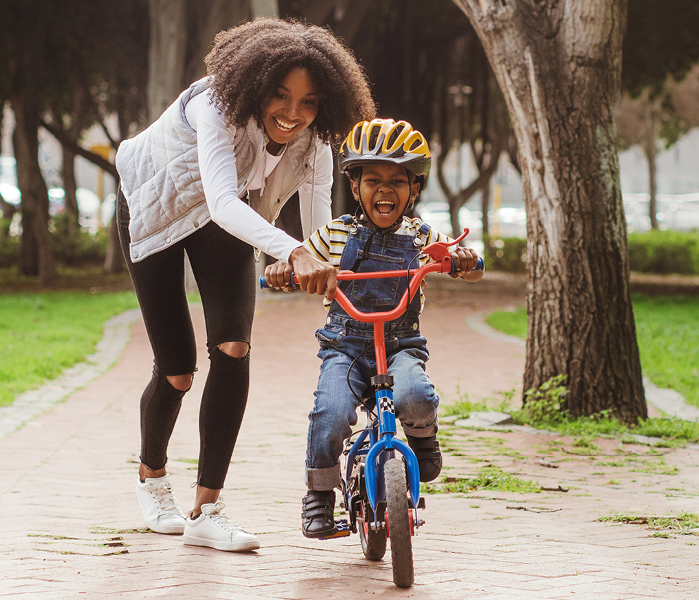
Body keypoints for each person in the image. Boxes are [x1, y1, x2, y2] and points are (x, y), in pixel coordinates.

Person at [114, 18, 375, 552]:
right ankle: (151, 477)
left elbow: (319, 225)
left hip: (225, 220)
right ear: (255, 86)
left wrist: (321, 264)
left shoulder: (315, 145)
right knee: (179, 369)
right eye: (280, 97)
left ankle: (207, 511)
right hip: (155, 207)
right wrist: (291, 251)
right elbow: (223, 200)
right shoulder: (214, 106)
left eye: (309, 102)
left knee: (233, 347)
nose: (293, 114)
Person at [263, 119, 483, 538]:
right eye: (374, 180)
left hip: (400, 345)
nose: (385, 190)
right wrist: (284, 268)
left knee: (416, 396)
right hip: (346, 346)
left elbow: (461, 265)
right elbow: (301, 261)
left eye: (398, 181)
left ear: (414, 189)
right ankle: (320, 494)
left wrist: (464, 262)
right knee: (331, 413)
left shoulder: (421, 237)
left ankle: (421, 438)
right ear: (355, 183)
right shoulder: (337, 233)